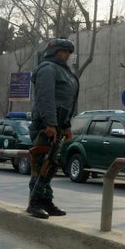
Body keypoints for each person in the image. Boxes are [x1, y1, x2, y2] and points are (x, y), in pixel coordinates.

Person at [27, 38, 79, 219]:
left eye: (69, 53)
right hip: (45, 126)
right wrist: (50, 124)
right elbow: (46, 99)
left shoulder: (64, 72)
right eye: (64, 52)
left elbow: (66, 102)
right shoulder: (48, 69)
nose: (67, 56)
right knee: (41, 164)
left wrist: (65, 126)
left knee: (51, 165)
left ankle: (46, 201)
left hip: (56, 126)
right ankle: (34, 203)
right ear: (55, 51)